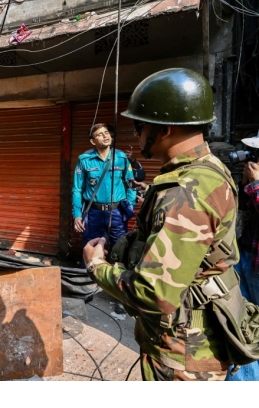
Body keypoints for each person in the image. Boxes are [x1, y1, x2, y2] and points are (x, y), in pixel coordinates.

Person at [83, 68, 238, 381]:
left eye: (140, 126)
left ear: (164, 129)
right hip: (193, 342)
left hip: (184, 354)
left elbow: (155, 294)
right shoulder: (207, 168)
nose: (136, 135)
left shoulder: (185, 191)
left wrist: (96, 266)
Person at [224, 135, 259, 381]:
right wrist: (246, 185)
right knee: (239, 323)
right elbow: (241, 215)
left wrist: (256, 184)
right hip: (245, 256)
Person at [72, 123, 136, 249]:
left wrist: (130, 205)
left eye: (106, 133)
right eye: (100, 134)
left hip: (117, 212)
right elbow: (77, 189)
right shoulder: (84, 160)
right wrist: (77, 215)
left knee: (120, 250)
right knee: (90, 249)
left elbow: (131, 184)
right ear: (92, 141)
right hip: (94, 214)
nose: (105, 136)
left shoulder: (121, 157)